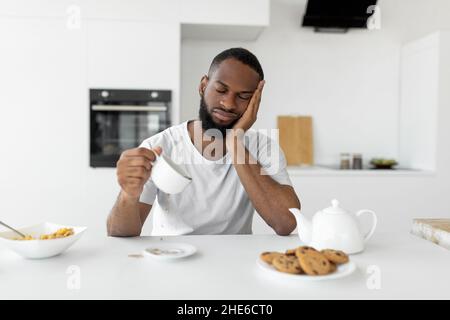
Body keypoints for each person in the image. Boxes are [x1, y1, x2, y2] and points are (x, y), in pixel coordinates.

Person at [107, 47, 300, 237]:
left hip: (234, 262)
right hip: (170, 259)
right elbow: (120, 232)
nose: (229, 103)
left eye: (243, 97)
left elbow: (285, 223)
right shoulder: (159, 146)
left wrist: (235, 141)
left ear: (254, 102)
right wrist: (128, 194)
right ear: (203, 86)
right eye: (221, 90)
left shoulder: (263, 147)